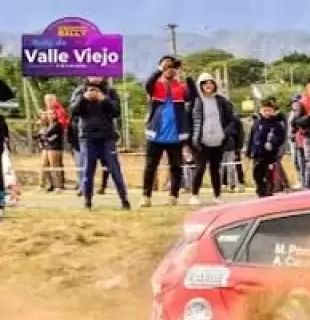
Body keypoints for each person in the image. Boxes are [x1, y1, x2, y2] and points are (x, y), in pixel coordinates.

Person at [69, 78, 131, 210]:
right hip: (88, 137)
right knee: (88, 171)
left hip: (107, 138)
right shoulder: (80, 91)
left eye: (98, 74)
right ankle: (87, 201)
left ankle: (124, 200)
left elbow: (116, 112)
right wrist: (84, 98)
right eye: (93, 74)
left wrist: (103, 99)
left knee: (115, 170)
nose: (96, 77)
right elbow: (73, 112)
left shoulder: (110, 91)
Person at [142, 55, 196, 207]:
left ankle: (173, 196)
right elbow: (148, 85)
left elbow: (192, 95)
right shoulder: (155, 86)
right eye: (167, 67)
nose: (170, 69)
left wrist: (188, 75)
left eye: (173, 67)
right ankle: (146, 196)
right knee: (150, 166)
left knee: (176, 167)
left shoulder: (181, 87)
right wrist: (160, 69)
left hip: (175, 135)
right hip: (155, 135)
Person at [189, 73, 237, 205]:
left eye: (210, 82)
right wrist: (191, 139)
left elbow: (231, 120)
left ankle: (217, 195)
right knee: (200, 168)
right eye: (204, 83)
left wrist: (225, 133)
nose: (208, 85)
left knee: (215, 169)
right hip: (201, 141)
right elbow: (189, 121)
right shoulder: (196, 101)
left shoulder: (221, 101)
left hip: (218, 140)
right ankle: (194, 194)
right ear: (200, 85)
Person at [248, 98, 287, 197]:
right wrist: (249, 151)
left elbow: (280, 138)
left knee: (268, 174)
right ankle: (260, 189)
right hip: (257, 153)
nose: (266, 112)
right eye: (264, 110)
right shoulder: (257, 123)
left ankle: (268, 190)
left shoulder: (276, 125)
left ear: (273, 111)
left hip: (269, 155)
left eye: (269, 110)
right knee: (257, 173)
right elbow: (252, 137)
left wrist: (273, 143)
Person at [36, 110, 65, 192]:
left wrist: (43, 136)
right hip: (46, 147)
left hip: (54, 148)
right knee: (43, 166)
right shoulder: (46, 125)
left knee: (54, 167)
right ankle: (46, 184)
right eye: (48, 114)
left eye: (52, 114)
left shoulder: (57, 125)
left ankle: (58, 185)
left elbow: (50, 136)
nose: (50, 115)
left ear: (55, 115)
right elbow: (39, 135)